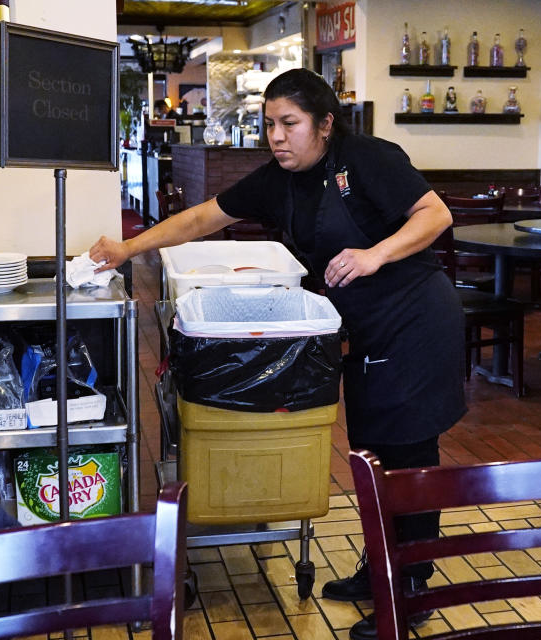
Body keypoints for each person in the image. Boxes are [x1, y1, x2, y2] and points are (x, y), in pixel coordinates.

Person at [89, 68, 466, 640]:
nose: (277, 136)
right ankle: (380, 570)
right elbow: (202, 218)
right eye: (269, 124)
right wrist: (127, 247)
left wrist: (373, 255)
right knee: (370, 451)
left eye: (289, 124)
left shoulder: (366, 158)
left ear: (324, 124)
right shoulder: (277, 179)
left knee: (409, 451)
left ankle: (410, 591)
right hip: (361, 330)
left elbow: (436, 214)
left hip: (415, 321)